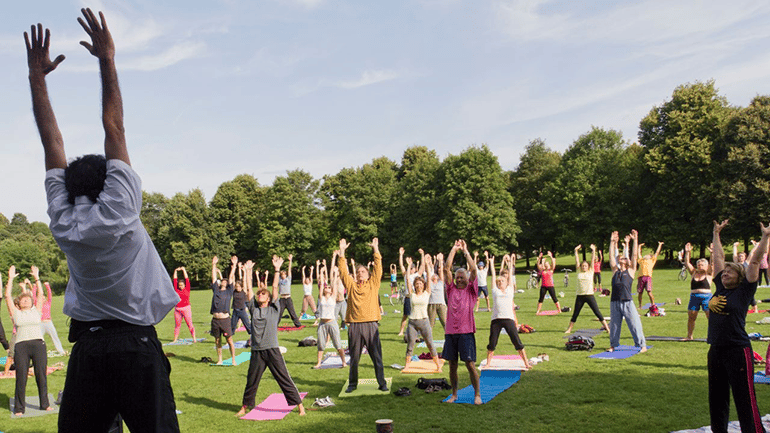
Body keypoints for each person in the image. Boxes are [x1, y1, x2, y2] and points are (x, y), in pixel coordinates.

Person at [30, 10, 180, 431]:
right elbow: (114, 127)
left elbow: (51, 141)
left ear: (72, 188)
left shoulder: (63, 222)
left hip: (88, 352)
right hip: (135, 345)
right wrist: (107, 58)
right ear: (109, 183)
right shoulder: (120, 209)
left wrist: (36, 79)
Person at [708, 220, 768, 433]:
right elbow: (717, 258)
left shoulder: (743, 292)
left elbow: (754, 262)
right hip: (716, 349)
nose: (724, 274)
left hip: (738, 350)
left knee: (744, 397)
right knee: (717, 397)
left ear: (739, 277)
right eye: (723, 273)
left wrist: (765, 237)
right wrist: (716, 233)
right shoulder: (719, 287)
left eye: (729, 273)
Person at [236, 259, 306, 417]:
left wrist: (276, 270)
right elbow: (248, 290)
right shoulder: (254, 309)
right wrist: (247, 272)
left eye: (263, 294)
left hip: (272, 349)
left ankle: (300, 406)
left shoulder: (274, 309)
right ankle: (245, 407)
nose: (260, 295)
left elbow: (275, 287)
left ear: (268, 298)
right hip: (257, 351)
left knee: (283, 378)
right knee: (251, 381)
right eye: (259, 293)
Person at [338, 237, 388, 393]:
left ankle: (382, 383)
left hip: (371, 324)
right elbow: (342, 271)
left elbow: (378, 267)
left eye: (363, 272)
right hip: (355, 325)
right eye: (358, 272)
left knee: (377, 358)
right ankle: (352, 384)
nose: (360, 274)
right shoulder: (351, 286)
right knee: (354, 359)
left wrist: (375, 249)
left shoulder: (373, 284)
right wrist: (342, 252)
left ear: (368, 274)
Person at [5, 266, 51, 416]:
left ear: (32, 302)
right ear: (19, 302)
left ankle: (45, 405)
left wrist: (37, 278)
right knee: (21, 377)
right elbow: (7, 296)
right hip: (21, 346)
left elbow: (41, 294)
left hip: (38, 344)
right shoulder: (15, 312)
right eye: (23, 299)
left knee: (41, 375)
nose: (26, 299)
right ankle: (19, 408)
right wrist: (10, 279)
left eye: (28, 298)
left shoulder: (36, 310)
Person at [443, 240, 481, 405]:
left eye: (461, 277)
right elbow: (446, 269)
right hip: (451, 332)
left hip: (466, 332)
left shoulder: (471, 291)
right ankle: (454, 394)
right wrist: (453, 249)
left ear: (467, 279)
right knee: (452, 365)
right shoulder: (450, 289)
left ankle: (477, 394)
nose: (458, 280)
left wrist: (465, 251)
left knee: (470, 364)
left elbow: (473, 269)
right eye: (457, 277)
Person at [485, 255, 531, 370]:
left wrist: (510, 265)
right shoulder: (495, 291)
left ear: (507, 282)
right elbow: (493, 276)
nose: (500, 282)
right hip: (496, 320)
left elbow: (510, 275)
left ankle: (526, 363)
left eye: (502, 281)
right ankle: (488, 363)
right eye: (499, 281)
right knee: (492, 343)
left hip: (508, 319)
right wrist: (491, 263)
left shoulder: (510, 290)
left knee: (517, 342)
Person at [608, 231, 646, 352]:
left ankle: (641, 345)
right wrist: (612, 241)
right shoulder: (616, 271)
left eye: (625, 258)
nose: (623, 258)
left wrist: (635, 240)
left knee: (634, 324)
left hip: (627, 301)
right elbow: (611, 257)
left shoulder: (631, 271)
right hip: (614, 302)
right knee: (614, 325)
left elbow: (634, 256)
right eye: (621, 257)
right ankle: (613, 345)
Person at [404, 255, 441, 371]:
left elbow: (429, 277)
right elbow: (407, 280)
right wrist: (409, 265)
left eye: (420, 283)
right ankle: (407, 366)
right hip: (412, 323)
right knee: (410, 345)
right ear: (415, 285)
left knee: (430, 344)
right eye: (417, 284)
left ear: (423, 285)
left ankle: (438, 366)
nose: (418, 285)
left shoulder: (427, 293)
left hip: (424, 322)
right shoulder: (412, 294)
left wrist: (426, 263)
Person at [565, 245, 610, 334]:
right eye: (582, 265)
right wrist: (576, 251)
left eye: (585, 266)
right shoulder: (578, 271)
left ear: (588, 267)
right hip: (580, 296)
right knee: (575, 313)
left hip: (589, 295)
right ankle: (569, 329)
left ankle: (607, 328)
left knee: (597, 312)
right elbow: (577, 260)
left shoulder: (591, 271)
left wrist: (593, 250)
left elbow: (593, 261)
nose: (584, 267)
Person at [313, 253, 347, 369]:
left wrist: (336, 272)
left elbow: (333, 283)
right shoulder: (321, 297)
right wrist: (322, 272)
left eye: (329, 288)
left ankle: (343, 362)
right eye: (326, 287)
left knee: (337, 343)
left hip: (332, 322)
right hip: (322, 323)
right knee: (321, 344)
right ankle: (318, 363)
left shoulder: (333, 297)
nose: (327, 288)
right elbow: (322, 284)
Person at [683, 243, 713, 341]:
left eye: (702, 265)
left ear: (706, 266)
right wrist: (687, 252)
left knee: (710, 318)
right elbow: (687, 263)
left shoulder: (709, 273)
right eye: (698, 264)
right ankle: (689, 336)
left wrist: (712, 253)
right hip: (694, 297)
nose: (700, 266)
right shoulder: (694, 272)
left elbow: (712, 264)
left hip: (706, 297)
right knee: (691, 317)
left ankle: (711, 336)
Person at [211, 256, 237, 365]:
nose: (225, 282)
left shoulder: (229, 292)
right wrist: (213, 264)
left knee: (229, 340)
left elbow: (231, 277)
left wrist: (234, 265)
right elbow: (213, 277)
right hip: (215, 320)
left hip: (225, 320)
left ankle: (233, 360)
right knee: (217, 340)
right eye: (223, 281)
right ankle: (220, 359)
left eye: (226, 282)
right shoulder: (216, 290)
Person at [32, 281, 66, 356]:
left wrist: (47, 286)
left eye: (44, 298)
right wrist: (34, 287)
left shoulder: (48, 303)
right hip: (40, 323)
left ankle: (61, 351)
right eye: (41, 298)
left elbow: (49, 295)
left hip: (48, 322)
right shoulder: (36, 304)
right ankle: (38, 352)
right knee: (39, 339)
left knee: (55, 336)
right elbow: (34, 297)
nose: (43, 299)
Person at [171, 267, 196, 343]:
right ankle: (175, 339)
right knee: (177, 325)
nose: (180, 286)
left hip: (186, 308)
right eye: (180, 285)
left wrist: (183, 270)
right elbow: (175, 279)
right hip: (177, 309)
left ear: (185, 285)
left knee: (190, 324)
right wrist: (175, 270)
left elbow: (186, 278)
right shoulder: (176, 289)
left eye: (182, 285)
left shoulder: (187, 288)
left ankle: (194, 338)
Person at [636, 240, 663, 309]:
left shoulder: (652, 260)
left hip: (648, 278)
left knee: (649, 292)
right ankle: (640, 305)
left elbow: (657, 253)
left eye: (649, 255)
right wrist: (639, 246)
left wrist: (660, 245)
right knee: (640, 293)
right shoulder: (641, 260)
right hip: (641, 278)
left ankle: (653, 304)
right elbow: (638, 253)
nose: (647, 255)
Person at [277, 254, 302, 328]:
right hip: (282, 299)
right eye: (282, 274)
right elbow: (277, 272)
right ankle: (275, 325)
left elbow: (289, 270)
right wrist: (278, 264)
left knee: (292, 312)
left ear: (286, 275)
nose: (283, 275)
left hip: (288, 298)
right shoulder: (279, 280)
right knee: (279, 313)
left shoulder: (288, 279)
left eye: (284, 274)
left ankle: (298, 324)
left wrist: (290, 260)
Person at [427, 252, 447, 331]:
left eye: (436, 275)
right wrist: (427, 262)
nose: (435, 275)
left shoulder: (441, 282)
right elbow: (428, 273)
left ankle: (450, 339)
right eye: (433, 275)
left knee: (445, 323)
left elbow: (440, 270)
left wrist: (440, 260)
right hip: (431, 304)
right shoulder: (429, 283)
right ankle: (428, 340)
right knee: (430, 324)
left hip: (441, 304)